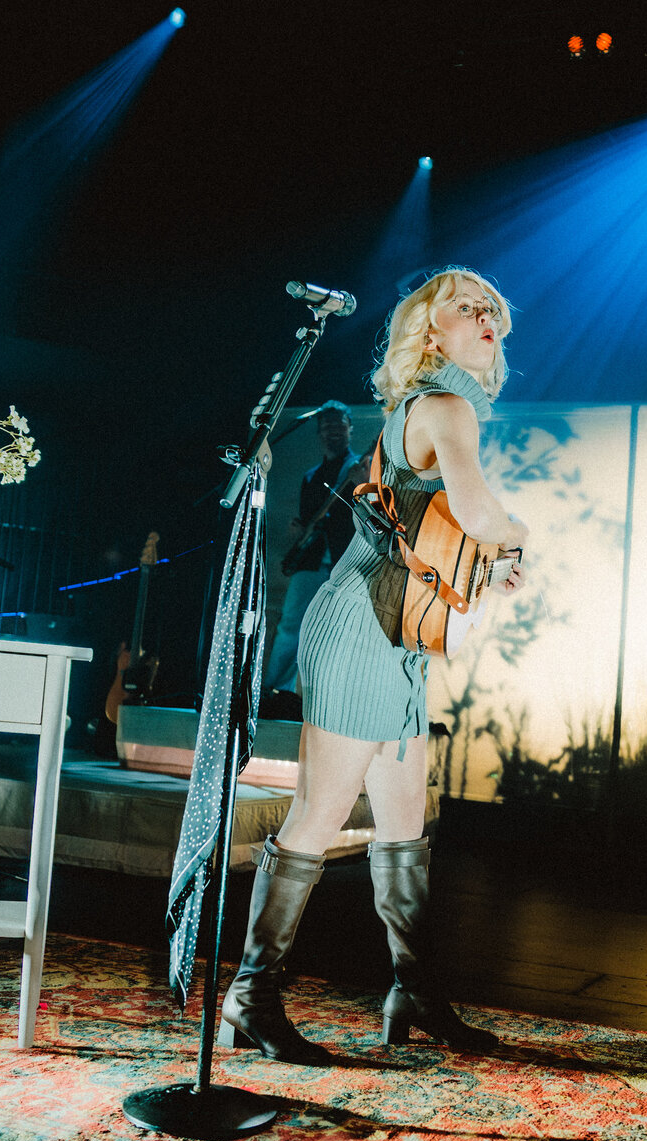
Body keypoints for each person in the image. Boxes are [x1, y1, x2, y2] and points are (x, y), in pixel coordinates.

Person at [219, 268, 528, 1065]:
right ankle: (251, 994)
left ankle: (414, 992)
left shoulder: (437, 406)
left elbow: (443, 524)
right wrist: (519, 537)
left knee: (403, 823)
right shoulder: (444, 405)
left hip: (399, 634)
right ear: (430, 331)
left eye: (492, 309)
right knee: (319, 817)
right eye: (466, 306)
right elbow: (479, 510)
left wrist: (492, 558)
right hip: (362, 627)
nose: (486, 317)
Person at [261, 401, 359, 701]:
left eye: (339, 425)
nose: (333, 431)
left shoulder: (361, 468)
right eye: (327, 426)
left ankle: (339, 698)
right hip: (311, 561)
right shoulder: (310, 476)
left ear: (350, 429)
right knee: (291, 625)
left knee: (344, 631)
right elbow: (307, 521)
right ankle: (277, 692)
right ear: (319, 433)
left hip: (347, 562)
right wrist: (299, 528)